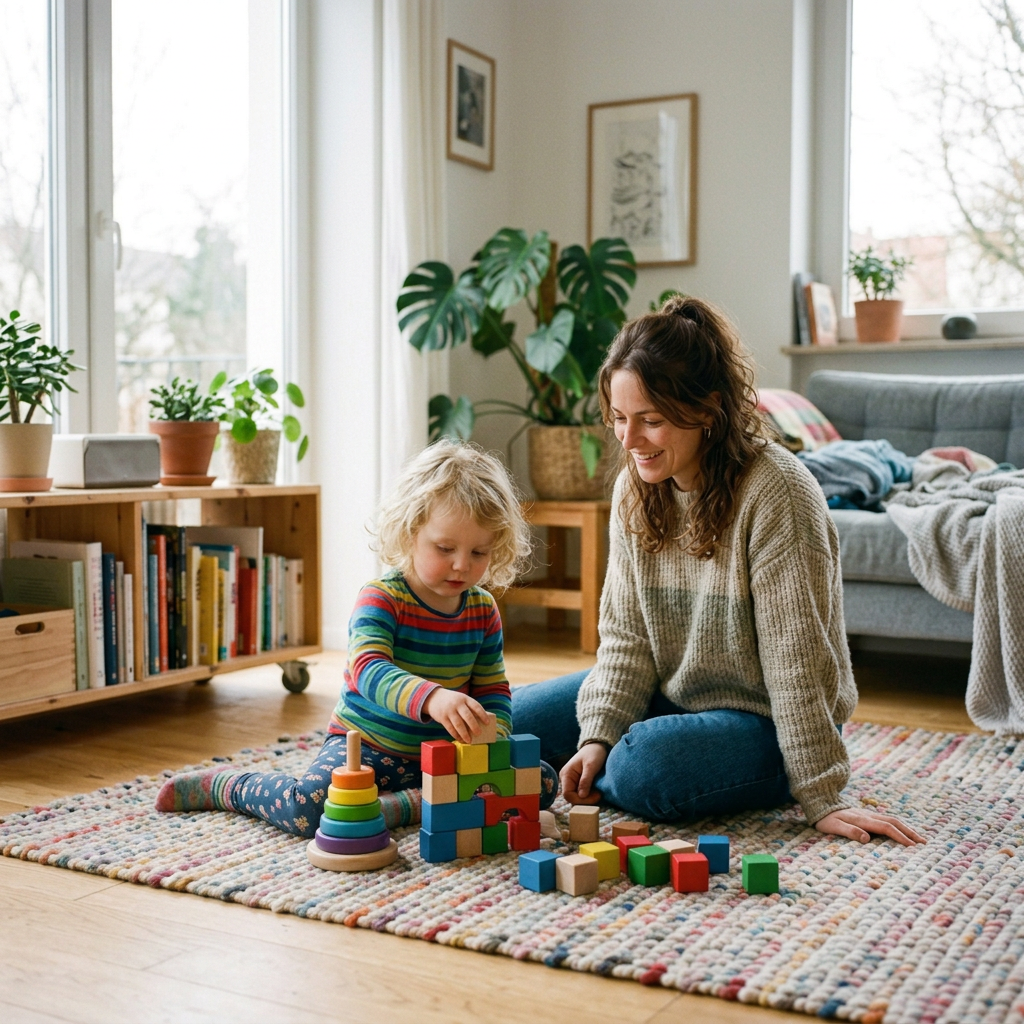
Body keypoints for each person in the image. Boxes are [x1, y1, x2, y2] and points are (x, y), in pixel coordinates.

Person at [512, 295, 925, 847]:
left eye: (650, 421)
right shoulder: (635, 488)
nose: (628, 441)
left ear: (707, 410)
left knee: (644, 770)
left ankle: (626, 763)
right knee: (508, 721)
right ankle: (592, 756)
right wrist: (595, 738)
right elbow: (626, 642)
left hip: (767, 720)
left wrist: (821, 793)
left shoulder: (778, 491)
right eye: (618, 419)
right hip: (670, 691)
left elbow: (795, 660)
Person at [156, 439, 532, 837]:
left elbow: (493, 687)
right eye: (445, 548)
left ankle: (390, 808)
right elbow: (368, 671)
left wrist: (495, 739)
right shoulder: (383, 597)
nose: (461, 564)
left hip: (440, 758)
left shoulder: (483, 609)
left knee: (535, 783)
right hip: (366, 746)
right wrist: (433, 697)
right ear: (409, 533)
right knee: (311, 810)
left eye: (479, 552)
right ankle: (228, 786)